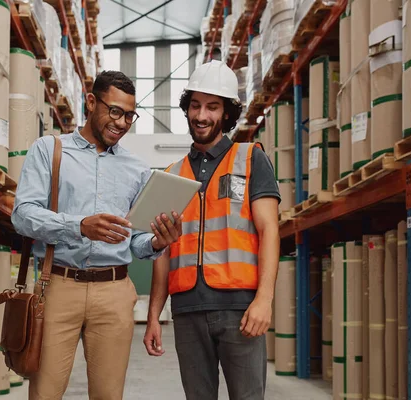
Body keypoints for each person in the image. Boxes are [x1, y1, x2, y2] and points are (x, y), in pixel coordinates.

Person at [12, 70, 183, 400]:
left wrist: (156, 242)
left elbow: (134, 239)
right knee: (44, 393)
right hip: (58, 286)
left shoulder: (137, 169)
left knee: (108, 395)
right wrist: (77, 226)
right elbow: (22, 215)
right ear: (91, 102)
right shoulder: (50, 150)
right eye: (115, 111)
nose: (121, 123)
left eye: (130, 116)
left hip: (115, 292)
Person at [143, 60, 281, 400]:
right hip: (187, 310)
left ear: (227, 114)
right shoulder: (172, 173)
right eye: (195, 105)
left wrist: (264, 300)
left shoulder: (251, 159)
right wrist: (153, 316)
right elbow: (162, 251)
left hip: (240, 309)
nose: (201, 115)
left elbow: (270, 231)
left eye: (212, 107)